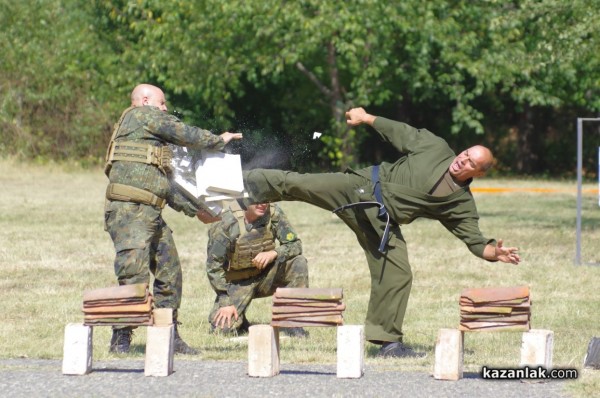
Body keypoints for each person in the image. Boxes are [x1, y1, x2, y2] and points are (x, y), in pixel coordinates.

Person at [242, 107, 521, 358]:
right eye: (466, 153)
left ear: (479, 173)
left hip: (381, 222)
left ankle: (388, 341)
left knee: (398, 273)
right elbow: (400, 132)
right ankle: (244, 182)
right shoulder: (436, 148)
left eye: (471, 162)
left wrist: (494, 252)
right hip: (360, 187)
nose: (463, 160)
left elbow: (474, 240)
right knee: (302, 185)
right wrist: (366, 118)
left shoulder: (460, 203)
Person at [103, 83, 242, 354]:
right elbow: (183, 132)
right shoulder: (140, 115)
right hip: (129, 212)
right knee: (133, 276)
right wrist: (218, 140)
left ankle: (168, 335)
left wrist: (198, 210)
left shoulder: (149, 141)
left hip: (149, 212)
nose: (166, 108)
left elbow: (165, 186)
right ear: (145, 100)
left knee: (170, 273)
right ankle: (120, 339)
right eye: (162, 102)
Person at [205, 200, 309, 337]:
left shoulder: (272, 212)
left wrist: (274, 253)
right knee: (222, 330)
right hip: (237, 283)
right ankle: (240, 321)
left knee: (298, 262)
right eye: (258, 201)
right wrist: (225, 302)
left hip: (266, 276)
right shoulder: (226, 222)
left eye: (267, 200)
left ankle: (293, 322)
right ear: (245, 200)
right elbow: (213, 267)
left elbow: (295, 245)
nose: (263, 204)